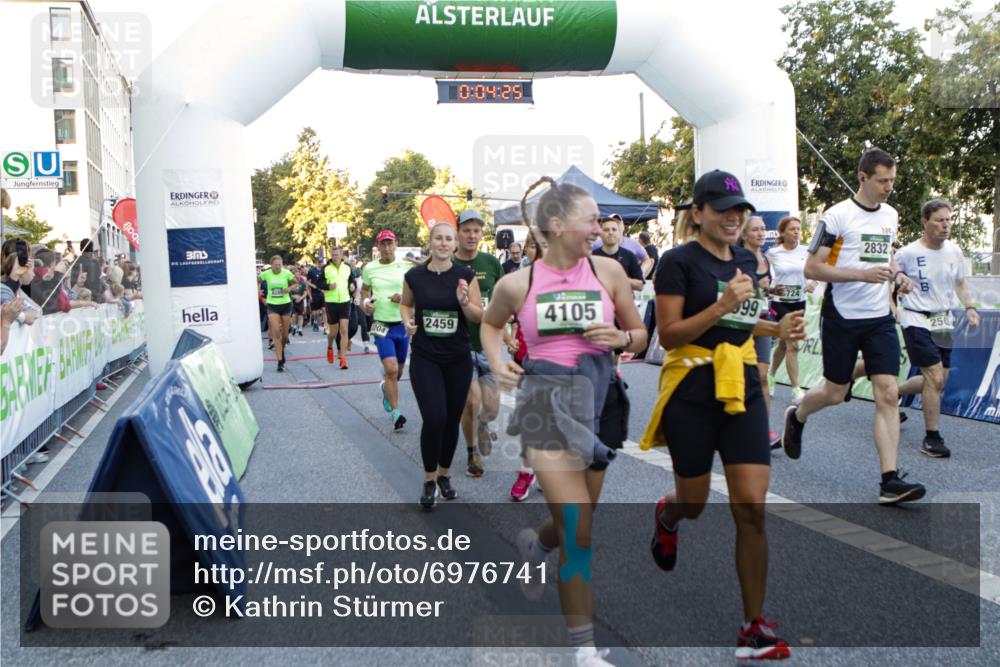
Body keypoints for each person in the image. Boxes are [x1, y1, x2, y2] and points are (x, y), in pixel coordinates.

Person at [482, 177, 646, 667]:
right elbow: (490, 325)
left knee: (575, 519)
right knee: (578, 529)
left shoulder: (610, 272)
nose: (601, 227)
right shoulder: (518, 283)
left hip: (600, 399)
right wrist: (495, 359)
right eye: (591, 219)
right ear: (557, 225)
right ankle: (584, 650)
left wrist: (620, 337)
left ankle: (535, 545)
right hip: (544, 401)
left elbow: (640, 334)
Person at [641, 170, 803, 661]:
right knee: (694, 503)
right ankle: (669, 516)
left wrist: (775, 331)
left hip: (741, 389)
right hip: (692, 390)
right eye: (722, 209)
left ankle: (753, 627)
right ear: (698, 213)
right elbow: (669, 334)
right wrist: (722, 305)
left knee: (750, 508)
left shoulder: (748, 261)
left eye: (740, 210)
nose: (734, 217)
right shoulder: (676, 262)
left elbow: (740, 319)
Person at [781, 148, 927, 504]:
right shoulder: (837, 217)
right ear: (863, 178)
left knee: (889, 392)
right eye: (882, 180)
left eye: (892, 180)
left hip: (878, 318)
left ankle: (889, 481)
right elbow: (813, 268)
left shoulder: (890, 215)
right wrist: (861, 275)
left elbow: (886, 256)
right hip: (843, 316)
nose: (889, 187)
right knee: (835, 390)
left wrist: (899, 275)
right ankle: (797, 415)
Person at [400, 221, 483, 509]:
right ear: (431, 242)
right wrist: (407, 321)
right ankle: (429, 479)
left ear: (455, 244)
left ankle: (445, 475)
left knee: (450, 421)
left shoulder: (465, 276)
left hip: (457, 358)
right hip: (425, 357)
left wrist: (464, 303)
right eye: (439, 238)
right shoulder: (414, 276)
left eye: (449, 239)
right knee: (434, 418)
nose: (444, 243)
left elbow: (477, 316)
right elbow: (406, 305)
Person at [893, 199, 981, 457]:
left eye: (948, 219)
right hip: (915, 318)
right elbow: (889, 280)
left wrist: (970, 307)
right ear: (925, 222)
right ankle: (932, 438)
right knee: (934, 376)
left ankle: (894, 392)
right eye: (939, 220)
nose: (945, 225)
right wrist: (894, 306)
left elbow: (961, 283)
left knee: (939, 380)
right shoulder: (907, 253)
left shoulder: (954, 251)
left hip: (942, 320)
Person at [453, 209, 506, 478]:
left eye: (476, 231)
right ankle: (472, 451)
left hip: (489, 346)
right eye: (466, 230)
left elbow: (502, 302)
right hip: (460, 346)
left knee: (492, 406)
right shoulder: (447, 264)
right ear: (457, 232)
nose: (472, 236)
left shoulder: (491, 263)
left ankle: (484, 424)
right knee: (471, 402)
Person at [362, 230, 411, 430]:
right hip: (380, 323)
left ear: (396, 245)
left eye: (391, 244)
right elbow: (364, 291)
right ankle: (395, 413)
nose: (387, 248)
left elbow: (414, 291)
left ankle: (385, 388)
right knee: (390, 369)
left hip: (401, 323)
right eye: (384, 244)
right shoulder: (370, 268)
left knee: (398, 371)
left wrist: (403, 297)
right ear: (378, 247)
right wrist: (366, 302)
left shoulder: (406, 266)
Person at [740, 216, 781, 448]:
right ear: (744, 235)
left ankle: (762, 429)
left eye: (763, 229)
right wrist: (757, 289)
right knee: (742, 376)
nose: (760, 233)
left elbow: (765, 291)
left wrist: (772, 290)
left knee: (763, 376)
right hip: (742, 323)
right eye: (755, 229)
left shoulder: (767, 259)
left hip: (764, 320)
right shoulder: (737, 260)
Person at [765, 216, 817, 399]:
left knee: (783, 343)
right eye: (792, 229)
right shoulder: (773, 253)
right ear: (783, 233)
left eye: (798, 228)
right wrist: (769, 290)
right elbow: (764, 277)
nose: (796, 232)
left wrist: (813, 283)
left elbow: (816, 270)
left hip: (799, 301)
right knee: (792, 345)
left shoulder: (807, 251)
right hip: (780, 303)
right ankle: (796, 388)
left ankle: (770, 375)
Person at [259, 255, 295, 372]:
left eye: (279, 264)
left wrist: (289, 289)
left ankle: (282, 351)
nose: (278, 267)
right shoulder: (266, 274)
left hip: (285, 304)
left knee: (284, 335)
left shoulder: (286, 273)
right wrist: (258, 291)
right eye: (276, 265)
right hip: (272, 305)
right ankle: (280, 361)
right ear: (272, 265)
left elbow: (296, 283)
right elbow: (258, 280)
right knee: (276, 333)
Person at [593, 217, 644, 291]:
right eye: (606, 230)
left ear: (619, 233)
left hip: (624, 300)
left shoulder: (629, 256)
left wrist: (620, 279)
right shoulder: (592, 257)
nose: (610, 232)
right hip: (600, 300)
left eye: (614, 229)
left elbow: (640, 286)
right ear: (600, 234)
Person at [324, 247, 353, 369]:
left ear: (342, 256)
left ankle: (343, 358)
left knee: (344, 330)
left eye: (337, 254)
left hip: (345, 301)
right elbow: (319, 283)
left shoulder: (347, 268)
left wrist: (352, 286)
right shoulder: (326, 268)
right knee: (334, 332)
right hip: (331, 302)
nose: (335, 257)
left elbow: (351, 281)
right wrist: (328, 286)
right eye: (333, 254)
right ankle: (330, 346)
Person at [306, 263, 325, 333]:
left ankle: (325, 327)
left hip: (322, 293)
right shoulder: (311, 271)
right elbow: (307, 282)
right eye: (319, 261)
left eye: (321, 261)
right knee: (315, 313)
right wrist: (312, 285)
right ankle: (315, 321)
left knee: (324, 310)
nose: (320, 263)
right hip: (315, 294)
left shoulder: (325, 270)